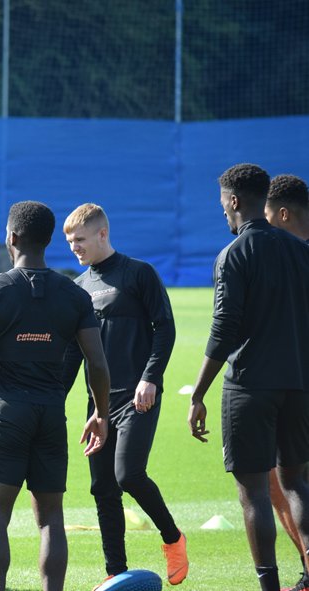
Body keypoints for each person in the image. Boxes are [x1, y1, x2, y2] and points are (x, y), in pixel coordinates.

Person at [0, 200, 110, 591]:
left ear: (11, 238)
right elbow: (97, 364)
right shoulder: (74, 295)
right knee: (50, 519)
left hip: (7, 411)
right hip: (51, 413)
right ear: (48, 240)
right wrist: (101, 413)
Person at [187, 163, 309, 591]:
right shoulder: (300, 250)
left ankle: (269, 586)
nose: (222, 209)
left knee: (254, 491)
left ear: (235, 200)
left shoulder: (233, 254)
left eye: (223, 202)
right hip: (299, 384)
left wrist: (198, 393)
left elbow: (224, 329)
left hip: (250, 386)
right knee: (296, 482)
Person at [60, 203, 187, 588]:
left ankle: (173, 538)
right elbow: (73, 353)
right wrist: (52, 397)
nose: (74, 248)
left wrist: (151, 378)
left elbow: (165, 328)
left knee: (128, 474)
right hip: (99, 403)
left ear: (102, 234)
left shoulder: (138, 273)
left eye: (80, 239)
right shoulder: (78, 287)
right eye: (69, 241)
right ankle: (115, 573)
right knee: (102, 488)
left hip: (137, 397)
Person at [264, 173, 309, 589]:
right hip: (290, 382)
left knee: (283, 480)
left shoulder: (289, 258)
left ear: (281, 214)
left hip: (291, 385)